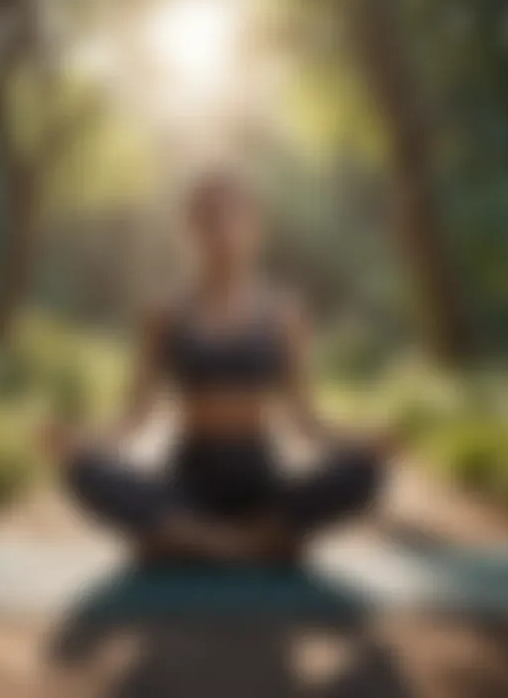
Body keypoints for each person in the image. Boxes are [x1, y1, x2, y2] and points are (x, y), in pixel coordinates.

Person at [48, 171, 393, 564]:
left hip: (260, 484)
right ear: (190, 230)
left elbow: (308, 423)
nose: (223, 231)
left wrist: (364, 442)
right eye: (210, 220)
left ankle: (192, 541)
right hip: (188, 484)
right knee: (82, 472)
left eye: (235, 218)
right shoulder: (163, 315)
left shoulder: (285, 314)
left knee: (367, 472)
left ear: (255, 228)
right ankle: (251, 544)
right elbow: (133, 419)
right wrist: (80, 442)